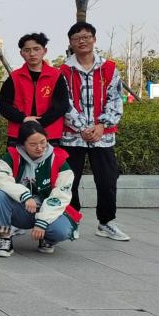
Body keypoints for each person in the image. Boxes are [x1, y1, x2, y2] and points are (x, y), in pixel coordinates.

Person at [60, 21, 128, 241]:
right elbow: (64, 103)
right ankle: (71, 221)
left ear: (94, 39)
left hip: (103, 136)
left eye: (86, 37)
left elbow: (115, 99)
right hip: (73, 136)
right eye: (77, 38)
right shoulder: (63, 71)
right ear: (70, 42)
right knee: (69, 180)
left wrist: (102, 125)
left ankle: (106, 223)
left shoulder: (109, 68)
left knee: (107, 180)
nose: (82, 41)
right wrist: (81, 127)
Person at [0, 121, 81, 257]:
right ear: (23, 144)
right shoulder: (11, 156)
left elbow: (61, 195)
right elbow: (2, 181)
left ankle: (47, 239)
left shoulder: (58, 159)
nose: (39, 148)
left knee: (62, 231)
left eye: (43, 142)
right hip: (22, 209)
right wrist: (25, 196)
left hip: (48, 210)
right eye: (33, 144)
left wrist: (42, 221)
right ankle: (5, 239)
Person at [0, 32, 70, 145]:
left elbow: (62, 105)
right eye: (27, 50)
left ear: (44, 51)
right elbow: (3, 104)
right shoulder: (14, 77)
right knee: (16, 158)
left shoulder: (56, 75)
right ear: (21, 53)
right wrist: (23, 118)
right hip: (18, 133)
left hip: (49, 134)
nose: (32, 54)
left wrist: (40, 122)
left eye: (36, 49)